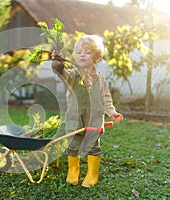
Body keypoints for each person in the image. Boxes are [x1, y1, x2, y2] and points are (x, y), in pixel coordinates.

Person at [51, 34, 123, 187]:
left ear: (97, 58)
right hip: (75, 117)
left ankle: (92, 175)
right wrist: (58, 63)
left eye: (87, 52)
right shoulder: (72, 75)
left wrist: (111, 112)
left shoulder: (100, 79)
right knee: (73, 145)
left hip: (94, 119)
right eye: (78, 52)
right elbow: (60, 73)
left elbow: (106, 98)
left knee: (93, 146)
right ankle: (73, 170)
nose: (82, 55)